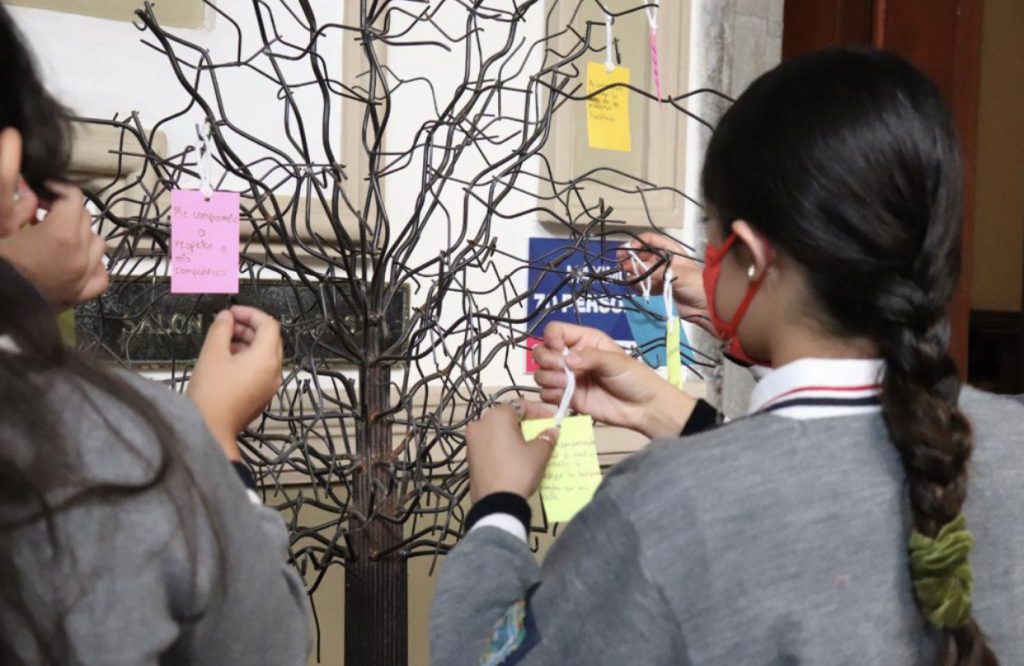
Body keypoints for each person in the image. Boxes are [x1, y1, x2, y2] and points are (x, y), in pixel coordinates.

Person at [430, 48, 1024, 665]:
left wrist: (497, 507)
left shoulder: (663, 507)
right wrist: (682, 418)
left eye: (709, 232)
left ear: (747, 254)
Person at [0, 6, 309, 664]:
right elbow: (268, 644)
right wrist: (215, 436)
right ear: (9, 163)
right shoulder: (113, 443)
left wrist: (22, 286)